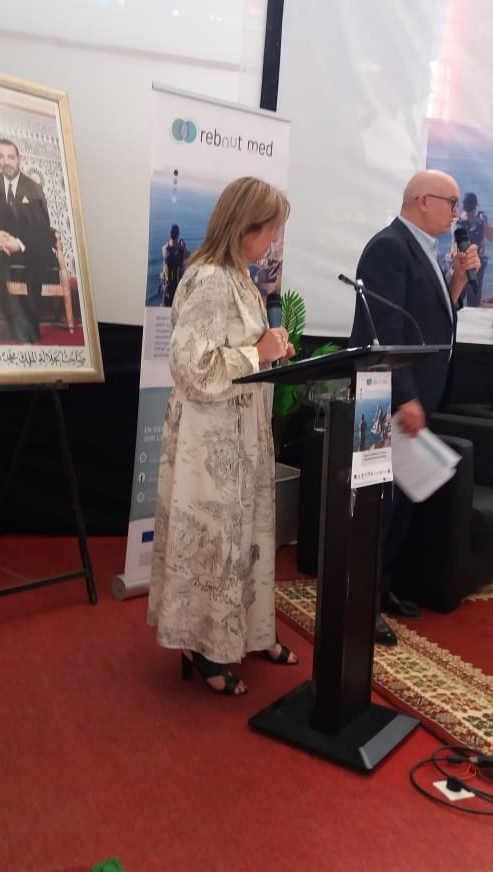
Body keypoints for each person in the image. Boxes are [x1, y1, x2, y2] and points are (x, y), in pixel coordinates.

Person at [147, 177, 298, 697]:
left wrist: (269, 349)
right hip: (210, 441)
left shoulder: (242, 280)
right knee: (214, 543)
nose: (273, 241)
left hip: (241, 434)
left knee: (245, 537)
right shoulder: (210, 280)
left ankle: (249, 632)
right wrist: (259, 352)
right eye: (270, 230)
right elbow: (194, 369)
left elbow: (244, 352)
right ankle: (204, 647)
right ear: (243, 227)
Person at [348, 169, 480, 646]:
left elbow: (428, 319)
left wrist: (457, 282)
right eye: (451, 203)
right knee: (376, 509)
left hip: (411, 399)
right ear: (423, 200)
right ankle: (359, 605)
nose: (456, 214)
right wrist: (404, 396)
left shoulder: (423, 249)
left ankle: (381, 587)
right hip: (384, 400)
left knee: (399, 502)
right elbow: (383, 332)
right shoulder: (389, 248)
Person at [0, 138, 54, 342]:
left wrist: (19, 244)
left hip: (27, 246)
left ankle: (31, 327)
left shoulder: (33, 187)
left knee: (37, 258)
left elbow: (42, 226)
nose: (6, 161)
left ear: (19, 159)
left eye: (11, 157)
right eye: (2, 157)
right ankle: (10, 323)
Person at [447, 191, 493, 307]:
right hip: (475, 266)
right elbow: (492, 238)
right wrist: (485, 222)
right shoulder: (480, 222)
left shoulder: (455, 221)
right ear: (476, 205)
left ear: (463, 205)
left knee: (454, 302)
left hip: (459, 266)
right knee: (473, 302)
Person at [161, 223, 188, 307]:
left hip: (167, 287)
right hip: (178, 288)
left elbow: (164, 267)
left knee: (166, 308)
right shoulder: (181, 251)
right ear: (178, 234)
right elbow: (191, 258)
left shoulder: (164, 248)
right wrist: (184, 248)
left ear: (169, 234)